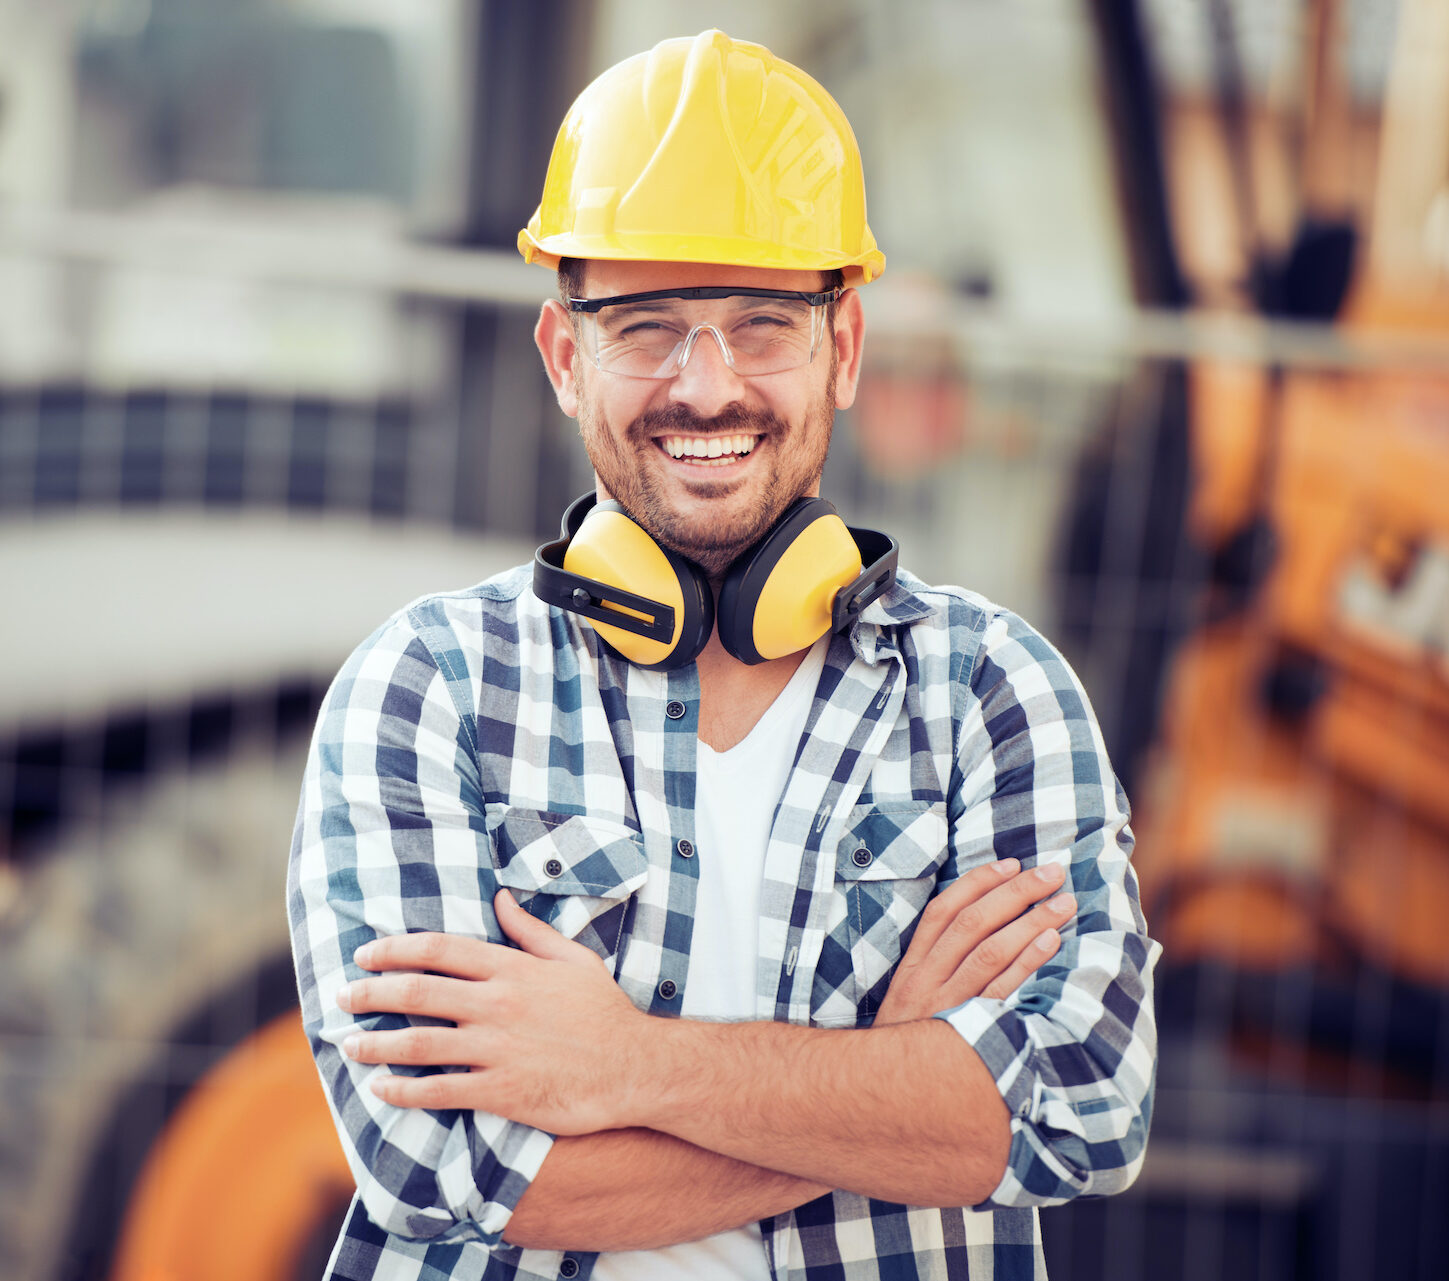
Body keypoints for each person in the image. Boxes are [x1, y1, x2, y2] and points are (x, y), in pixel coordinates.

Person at [288, 29, 1160, 1281]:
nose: (707, 387)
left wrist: (625, 1063)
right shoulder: (428, 690)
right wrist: (898, 1064)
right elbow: (443, 1167)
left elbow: (1079, 1109)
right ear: (564, 355)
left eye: (763, 324)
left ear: (843, 350)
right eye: (645, 325)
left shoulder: (996, 698)